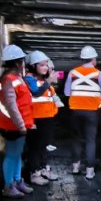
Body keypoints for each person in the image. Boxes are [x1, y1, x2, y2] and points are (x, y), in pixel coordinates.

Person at [64, 45, 101, 180]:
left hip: (75, 111)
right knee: (90, 140)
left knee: (76, 139)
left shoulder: (72, 73)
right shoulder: (99, 74)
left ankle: (75, 167)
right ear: (94, 59)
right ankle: (90, 171)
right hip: (92, 112)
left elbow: (67, 92)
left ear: (82, 59)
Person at [0, 44, 35, 198]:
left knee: (17, 154)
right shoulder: (9, 80)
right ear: (19, 63)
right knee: (12, 155)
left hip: (18, 125)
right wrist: (21, 125)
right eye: (22, 61)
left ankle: (17, 181)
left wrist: (27, 123)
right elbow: (11, 106)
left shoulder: (15, 78)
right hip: (12, 126)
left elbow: (22, 104)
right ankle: (8, 185)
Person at [24, 50, 59, 186]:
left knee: (44, 145)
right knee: (34, 146)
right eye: (42, 65)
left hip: (47, 117)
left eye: (46, 65)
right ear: (33, 66)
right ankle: (35, 173)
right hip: (35, 118)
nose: (45, 67)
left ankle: (43, 168)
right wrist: (49, 81)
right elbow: (36, 93)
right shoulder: (29, 78)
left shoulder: (43, 80)